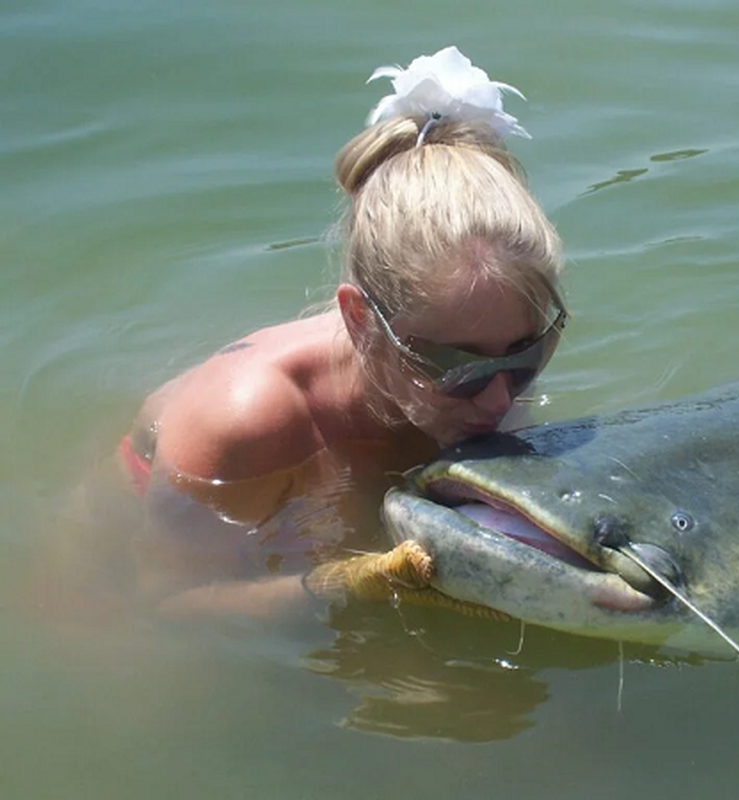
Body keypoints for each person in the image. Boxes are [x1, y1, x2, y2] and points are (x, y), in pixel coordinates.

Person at [113, 47, 567, 617]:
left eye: (527, 353)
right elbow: (164, 604)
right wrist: (351, 583)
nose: (503, 399)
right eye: (460, 366)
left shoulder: (476, 373)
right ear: (360, 320)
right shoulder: (241, 419)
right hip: (121, 550)